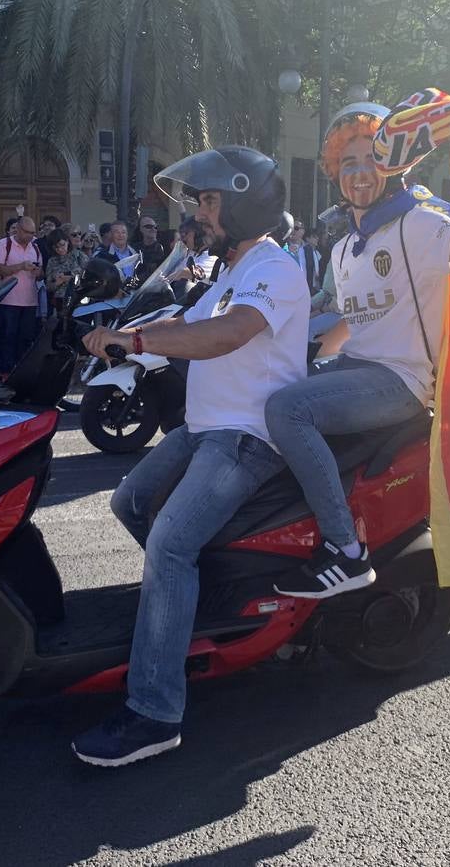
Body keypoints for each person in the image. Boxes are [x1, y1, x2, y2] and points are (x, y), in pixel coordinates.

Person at [72, 145, 309, 767]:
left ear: (242, 202)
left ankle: (154, 714)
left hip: (247, 438)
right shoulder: (227, 273)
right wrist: (116, 337)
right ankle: (185, 610)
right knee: (132, 501)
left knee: (170, 545)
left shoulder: (273, 269)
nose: (198, 213)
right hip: (203, 429)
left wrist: (140, 338)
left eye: (208, 201)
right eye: (199, 201)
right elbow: (185, 323)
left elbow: (226, 335)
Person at [261, 101, 450, 598]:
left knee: (288, 408)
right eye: (347, 164)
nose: (359, 173)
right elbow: (355, 320)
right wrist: (302, 356)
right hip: (359, 367)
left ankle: (346, 552)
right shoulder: (347, 247)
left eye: (372, 159)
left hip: (404, 381)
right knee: (273, 387)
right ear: (334, 173)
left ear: (396, 165)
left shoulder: (421, 224)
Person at [0, 215, 44, 372]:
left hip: (30, 300)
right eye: (27, 232)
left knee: (26, 337)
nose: (31, 236)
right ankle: (5, 369)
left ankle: (21, 369)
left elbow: (41, 273)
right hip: (8, 300)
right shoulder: (4, 244)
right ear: (19, 230)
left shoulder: (35, 247)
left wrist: (37, 272)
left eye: (33, 233)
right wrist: (20, 266)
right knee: (8, 336)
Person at [284, 219, 323, 293]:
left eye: (296, 228)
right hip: (288, 290)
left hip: (305, 291)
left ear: (303, 231)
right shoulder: (283, 247)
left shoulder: (308, 249)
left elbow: (315, 272)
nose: (293, 230)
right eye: (291, 228)